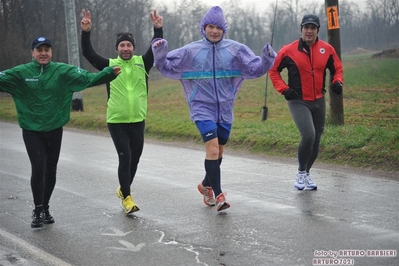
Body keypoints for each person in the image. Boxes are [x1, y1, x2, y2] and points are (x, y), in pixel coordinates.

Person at [151, 6, 276, 212]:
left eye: (218, 27)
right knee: (213, 149)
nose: (214, 31)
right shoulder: (191, 50)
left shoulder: (235, 49)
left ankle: (205, 185)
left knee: (219, 153)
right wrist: (159, 48)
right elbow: (165, 66)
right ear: (204, 28)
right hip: (201, 107)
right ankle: (218, 195)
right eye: (211, 26)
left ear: (223, 29)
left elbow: (256, 68)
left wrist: (267, 58)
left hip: (225, 109)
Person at [0, 36, 121, 228]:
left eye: (47, 50)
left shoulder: (62, 71)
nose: (43, 53)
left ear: (51, 52)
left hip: (55, 128)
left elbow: (87, 78)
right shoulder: (21, 73)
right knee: (38, 167)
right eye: (39, 50)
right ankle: (37, 209)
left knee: (51, 169)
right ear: (32, 53)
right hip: (31, 129)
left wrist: (108, 73)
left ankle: (46, 207)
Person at [80, 9, 163, 214]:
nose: (125, 48)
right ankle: (126, 197)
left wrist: (158, 28)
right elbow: (88, 53)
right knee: (124, 157)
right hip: (116, 120)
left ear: (133, 48)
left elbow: (156, 47)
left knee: (135, 159)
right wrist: (86, 32)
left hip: (138, 119)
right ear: (117, 48)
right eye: (122, 45)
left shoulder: (143, 63)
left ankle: (123, 188)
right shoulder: (109, 65)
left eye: (128, 45)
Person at [269, 14, 344, 191]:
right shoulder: (288, 50)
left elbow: (337, 68)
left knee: (316, 139)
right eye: (306, 27)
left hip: (318, 100)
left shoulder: (327, 49)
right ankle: (300, 173)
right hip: (298, 100)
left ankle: (307, 174)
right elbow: (273, 71)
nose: (309, 31)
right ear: (301, 29)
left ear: (317, 30)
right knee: (308, 135)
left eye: (313, 28)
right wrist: (284, 89)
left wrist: (337, 82)